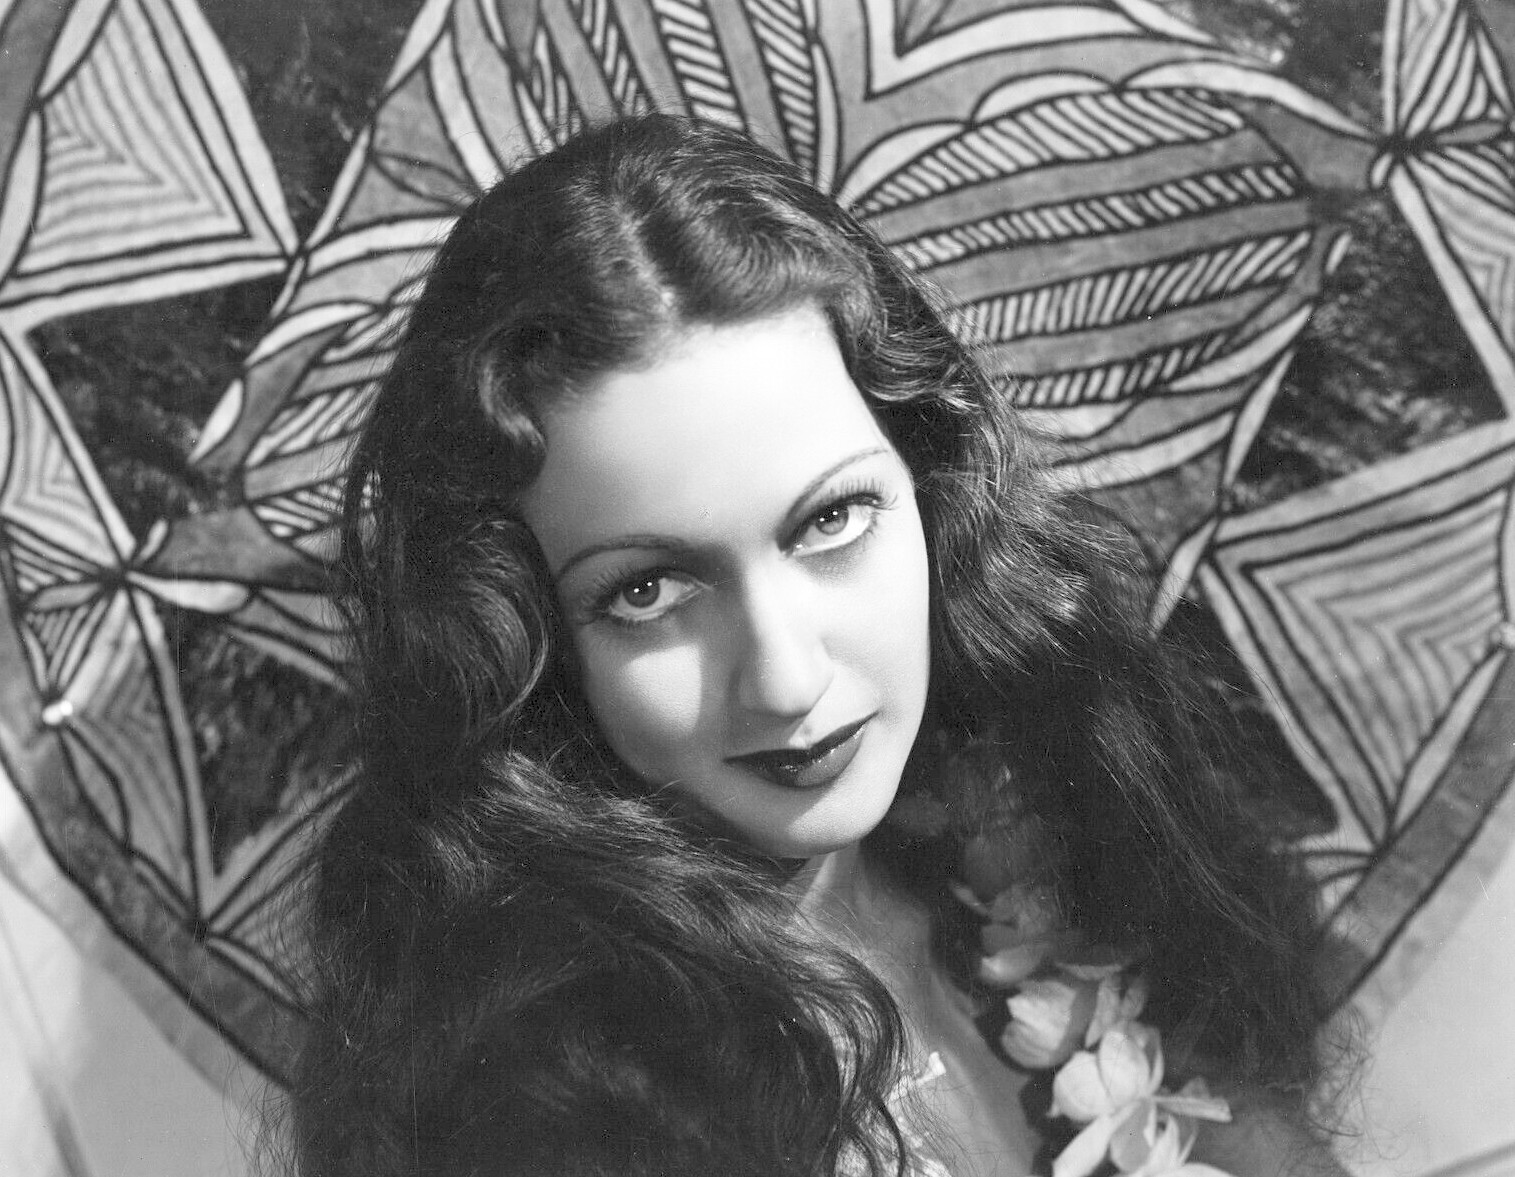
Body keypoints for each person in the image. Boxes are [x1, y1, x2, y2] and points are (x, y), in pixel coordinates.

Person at [286, 114, 1347, 1177]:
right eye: (647, 591)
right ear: (527, 640)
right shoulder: (536, 1112)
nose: (787, 678)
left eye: (831, 520)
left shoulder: (1068, 797)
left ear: (930, 482)